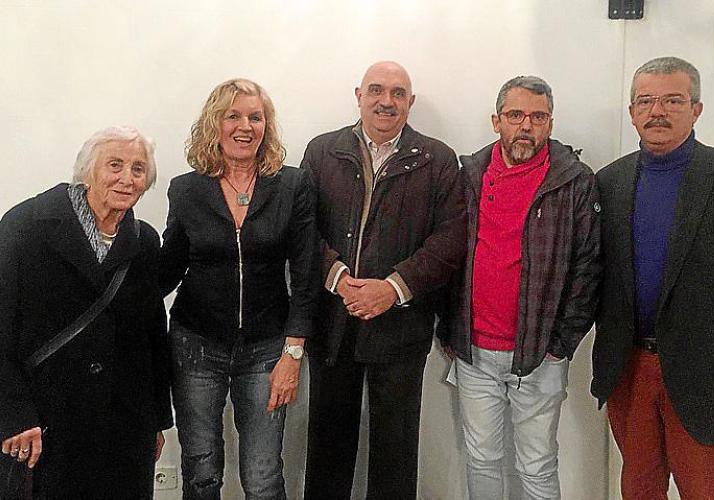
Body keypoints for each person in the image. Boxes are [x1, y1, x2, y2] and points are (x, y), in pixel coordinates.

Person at [301, 61, 466, 499]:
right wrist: (337, 278)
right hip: (332, 325)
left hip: (402, 329)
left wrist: (392, 288)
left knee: (396, 455)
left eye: (398, 93)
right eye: (376, 90)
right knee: (327, 450)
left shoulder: (438, 159)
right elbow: (302, 228)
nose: (386, 101)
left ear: (410, 102)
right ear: (359, 95)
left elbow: (451, 239)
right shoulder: (322, 152)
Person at [439, 76, 601, 499]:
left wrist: (559, 345)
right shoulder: (470, 175)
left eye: (538, 116)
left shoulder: (573, 181)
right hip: (475, 352)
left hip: (539, 355)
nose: (526, 126)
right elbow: (447, 252)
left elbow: (588, 268)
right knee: (481, 459)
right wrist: (450, 329)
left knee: (537, 464)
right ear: (496, 121)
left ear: (550, 123)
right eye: (515, 115)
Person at [160, 78, 318, 500]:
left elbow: (306, 277)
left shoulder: (292, 185)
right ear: (215, 123)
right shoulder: (186, 188)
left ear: (267, 125)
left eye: (255, 117)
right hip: (196, 345)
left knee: (263, 477)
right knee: (201, 470)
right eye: (233, 116)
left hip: (267, 349)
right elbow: (168, 267)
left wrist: (293, 354)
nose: (245, 126)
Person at [0, 126, 172, 498]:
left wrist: (156, 420)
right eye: (115, 165)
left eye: (138, 169)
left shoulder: (144, 241)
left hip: (123, 426)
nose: (127, 178)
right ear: (88, 171)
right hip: (44, 424)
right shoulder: (25, 226)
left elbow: (153, 335)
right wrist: (13, 413)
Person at [591, 56, 714, 499]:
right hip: (630, 367)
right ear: (632, 112)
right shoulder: (609, 181)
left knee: (707, 491)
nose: (658, 112)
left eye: (673, 100)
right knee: (639, 488)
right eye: (646, 101)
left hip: (707, 373)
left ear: (696, 109)